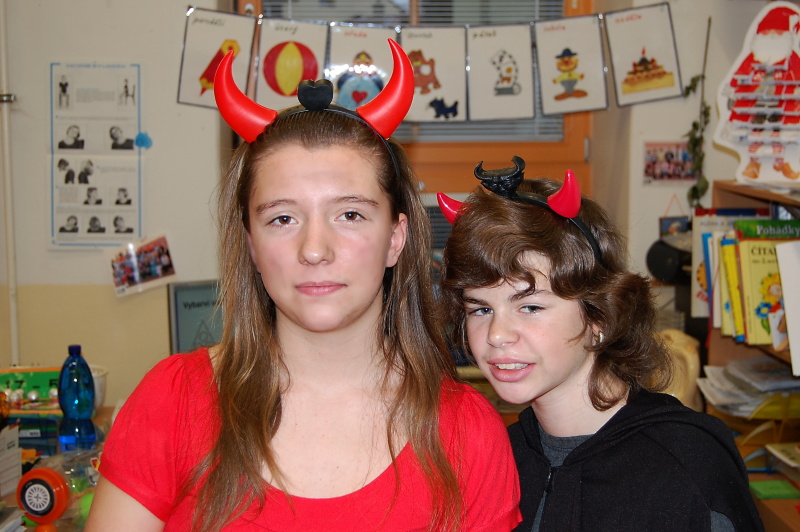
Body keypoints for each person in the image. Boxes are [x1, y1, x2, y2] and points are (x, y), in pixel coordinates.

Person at [86, 40, 521, 532]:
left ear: (395, 239)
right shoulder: (173, 401)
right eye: (283, 218)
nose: (315, 249)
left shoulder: (467, 434)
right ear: (252, 245)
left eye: (350, 214)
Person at [437, 156, 764, 532]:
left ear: (600, 317)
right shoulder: (498, 454)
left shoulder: (685, 462)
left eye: (530, 306)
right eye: (481, 309)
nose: (496, 334)